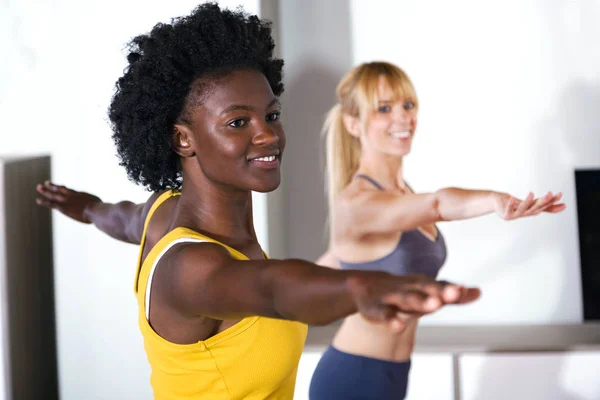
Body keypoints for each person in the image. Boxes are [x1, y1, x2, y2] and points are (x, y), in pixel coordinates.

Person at [35, 6, 481, 400]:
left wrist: (87, 207)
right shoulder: (190, 268)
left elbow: (121, 219)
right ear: (182, 139)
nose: (267, 134)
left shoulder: (162, 211)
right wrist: (360, 288)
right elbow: (275, 288)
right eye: (237, 122)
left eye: (271, 115)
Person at [309, 61, 566, 400]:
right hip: (353, 376)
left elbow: (332, 265)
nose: (403, 118)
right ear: (353, 124)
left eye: (408, 105)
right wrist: (494, 200)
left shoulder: (404, 193)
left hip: (394, 372)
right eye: (384, 108)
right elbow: (438, 205)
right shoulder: (354, 202)